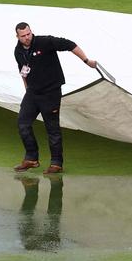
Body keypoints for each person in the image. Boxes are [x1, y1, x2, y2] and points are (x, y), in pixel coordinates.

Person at [12, 22, 98, 174]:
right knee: (23, 124)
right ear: (17, 36)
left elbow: (70, 44)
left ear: (32, 32)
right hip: (32, 93)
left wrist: (86, 61)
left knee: (52, 128)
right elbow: (23, 71)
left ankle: (56, 163)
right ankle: (31, 158)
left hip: (50, 92)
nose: (27, 38)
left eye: (29, 34)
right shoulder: (18, 51)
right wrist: (27, 90)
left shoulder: (44, 42)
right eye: (23, 36)